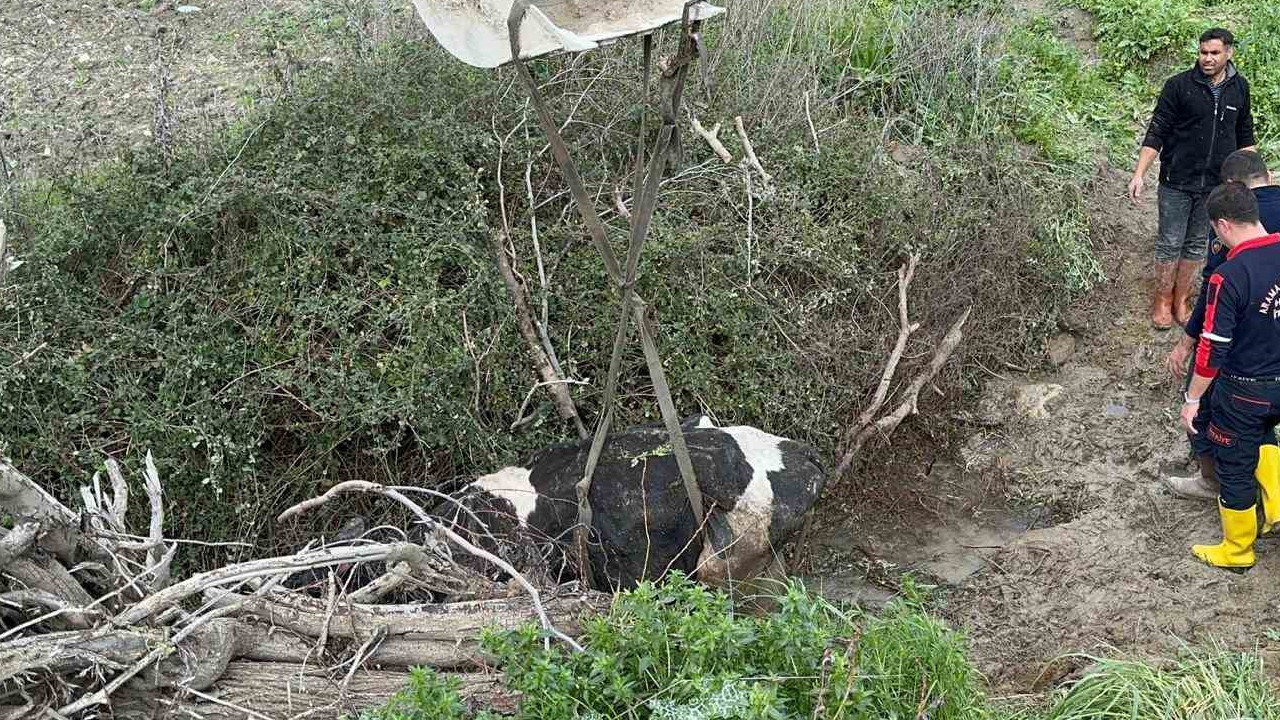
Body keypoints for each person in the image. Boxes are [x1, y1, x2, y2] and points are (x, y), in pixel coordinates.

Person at [1165, 150, 1280, 501]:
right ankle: (1273, 498)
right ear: (1267, 176)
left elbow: (1215, 298)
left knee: (1215, 416)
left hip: (1241, 359)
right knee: (1264, 421)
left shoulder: (1232, 227)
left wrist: (1187, 345)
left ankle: (1212, 480)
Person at [1180, 182, 1280, 571]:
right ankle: (1275, 507)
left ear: (1222, 225)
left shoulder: (1229, 275)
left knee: (1235, 465)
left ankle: (1237, 551)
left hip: (1245, 391)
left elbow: (1212, 350)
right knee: (1267, 436)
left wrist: (1192, 399)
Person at [1128, 28, 1256, 330]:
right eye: (1203, 53)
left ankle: (1181, 299)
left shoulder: (1239, 88)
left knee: (1198, 243)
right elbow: (1157, 131)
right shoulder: (1179, 86)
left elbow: (1244, 135)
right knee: (1170, 241)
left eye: (1214, 53)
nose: (1207, 59)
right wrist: (1139, 174)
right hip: (1177, 180)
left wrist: (1252, 179)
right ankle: (1162, 298)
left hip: (1215, 184)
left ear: (1229, 53)